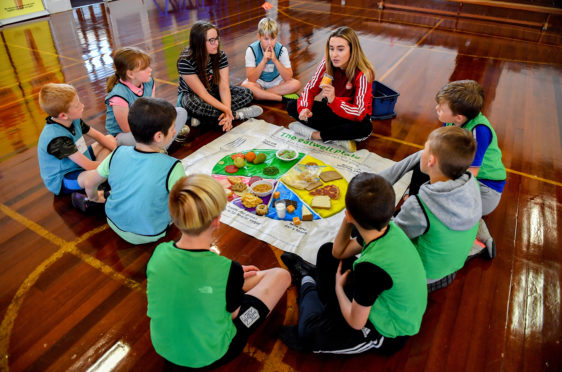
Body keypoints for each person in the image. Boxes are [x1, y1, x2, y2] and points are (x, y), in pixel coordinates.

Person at [147, 174, 291, 368]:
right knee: (282, 275)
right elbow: (232, 315)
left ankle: (233, 287)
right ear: (216, 221)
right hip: (212, 353)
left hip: (164, 347)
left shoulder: (159, 253)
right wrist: (233, 281)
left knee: (224, 286)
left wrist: (232, 279)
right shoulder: (227, 270)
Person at [280, 173, 427, 355]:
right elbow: (338, 252)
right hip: (378, 298)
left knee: (308, 332)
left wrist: (340, 289)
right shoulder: (387, 227)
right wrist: (348, 218)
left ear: (348, 212)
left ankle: (307, 282)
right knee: (327, 252)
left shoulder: (370, 269)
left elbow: (356, 322)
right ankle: (320, 296)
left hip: (386, 333)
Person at [409, 80, 505, 257]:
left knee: (441, 213)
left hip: (485, 189)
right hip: (463, 176)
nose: (436, 108)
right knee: (424, 166)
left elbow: (469, 177)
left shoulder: (479, 131)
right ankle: (413, 204)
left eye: (440, 107)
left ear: (458, 117)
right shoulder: (452, 122)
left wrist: (441, 197)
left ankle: (478, 240)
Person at [379, 126, 482, 292]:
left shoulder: (419, 206)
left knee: (363, 228)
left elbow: (390, 239)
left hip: (423, 278)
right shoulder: (471, 182)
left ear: (431, 161)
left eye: (425, 147)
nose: (421, 151)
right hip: (451, 268)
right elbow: (422, 159)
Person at [81, 97, 186, 244]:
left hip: (113, 222)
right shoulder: (174, 166)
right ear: (159, 136)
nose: (175, 130)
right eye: (172, 128)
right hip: (151, 233)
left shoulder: (117, 153)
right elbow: (185, 203)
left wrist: (95, 198)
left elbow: (89, 182)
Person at [287, 26, 374, 153]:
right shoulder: (327, 63)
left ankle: (318, 135)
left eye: (340, 49)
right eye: (331, 49)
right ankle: (337, 137)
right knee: (292, 106)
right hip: (332, 112)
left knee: (365, 128)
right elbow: (310, 90)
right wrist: (305, 108)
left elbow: (359, 112)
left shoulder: (364, 73)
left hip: (352, 117)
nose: (334, 54)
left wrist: (334, 100)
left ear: (352, 50)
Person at [177, 21, 263, 131]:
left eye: (217, 38)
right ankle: (238, 115)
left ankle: (205, 118)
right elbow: (202, 93)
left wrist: (226, 109)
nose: (216, 44)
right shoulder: (185, 61)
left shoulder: (220, 55)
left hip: (213, 90)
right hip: (194, 95)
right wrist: (226, 110)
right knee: (192, 105)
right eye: (211, 41)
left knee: (247, 93)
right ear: (199, 42)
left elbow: (224, 87)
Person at [37, 83, 116, 198]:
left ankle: (99, 184)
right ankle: (89, 200)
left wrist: (118, 152)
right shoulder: (57, 139)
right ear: (63, 115)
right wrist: (117, 163)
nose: (82, 105)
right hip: (65, 177)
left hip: (79, 162)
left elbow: (99, 136)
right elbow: (89, 166)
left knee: (109, 140)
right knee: (93, 175)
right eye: (77, 105)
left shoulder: (73, 120)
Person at [105, 47, 189, 147]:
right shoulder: (119, 95)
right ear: (131, 74)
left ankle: (159, 145)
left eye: (148, 66)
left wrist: (159, 123)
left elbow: (152, 109)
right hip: (125, 136)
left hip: (145, 125)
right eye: (144, 68)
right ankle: (163, 143)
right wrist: (157, 128)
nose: (150, 70)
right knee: (151, 136)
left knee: (181, 112)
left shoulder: (148, 82)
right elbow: (127, 129)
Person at [240, 17, 301, 102]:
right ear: (259, 37)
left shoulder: (282, 50)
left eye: (272, 38)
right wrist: (264, 61)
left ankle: (261, 95)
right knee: (245, 86)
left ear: (276, 37)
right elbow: (251, 79)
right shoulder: (251, 50)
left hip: (276, 81)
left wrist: (275, 60)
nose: (269, 43)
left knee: (296, 84)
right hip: (259, 82)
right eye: (266, 39)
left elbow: (288, 78)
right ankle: (281, 98)